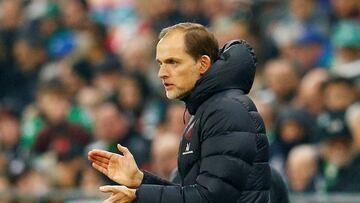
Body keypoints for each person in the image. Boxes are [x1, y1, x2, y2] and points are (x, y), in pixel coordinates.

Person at [88, 22, 270, 203]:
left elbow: (210, 198)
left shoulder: (226, 110)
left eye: (173, 62)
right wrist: (140, 180)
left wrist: (139, 196)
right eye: (160, 63)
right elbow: (190, 193)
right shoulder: (208, 109)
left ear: (203, 64)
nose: (161, 73)